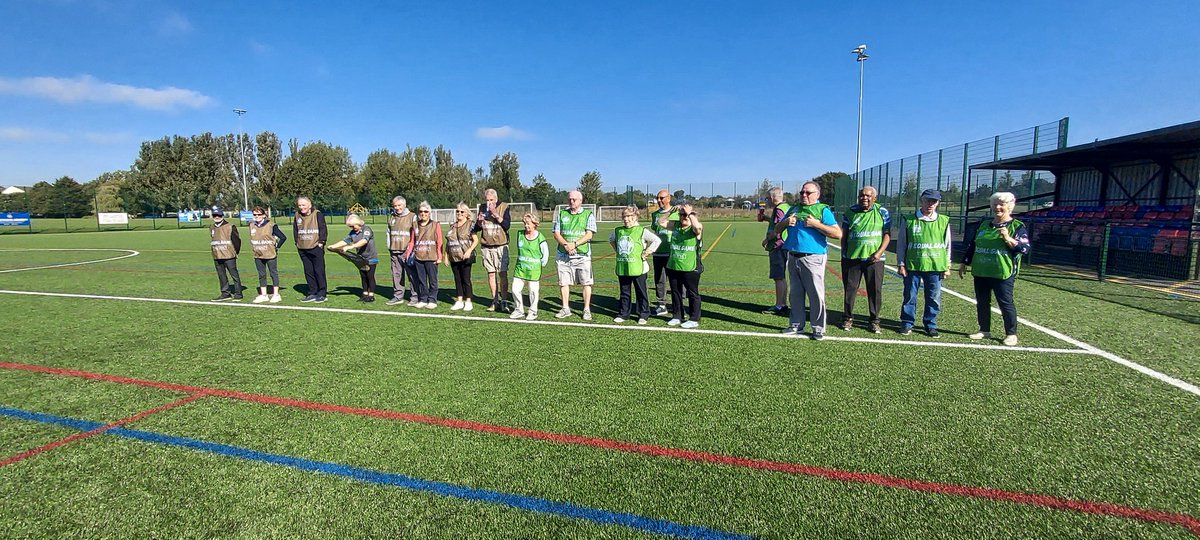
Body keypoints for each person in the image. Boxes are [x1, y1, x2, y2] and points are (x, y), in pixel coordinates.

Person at [959, 191, 1030, 346]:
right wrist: (965, 261)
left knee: (1005, 303)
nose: (997, 207)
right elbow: (974, 244)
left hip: (1002, 273)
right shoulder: (984, 224)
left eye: (1001, 204)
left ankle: (1011, 334)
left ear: (1010, 207)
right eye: (995, 204)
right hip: (981, 271)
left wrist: (1007, 238)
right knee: (982, 302)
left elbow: (1024, 249)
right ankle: (984, 329)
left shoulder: (1017, 226)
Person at [776, 182, 842, 340]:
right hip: (793, 256)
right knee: (796, 294)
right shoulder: (794, 209)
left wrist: (816, 224)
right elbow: (777, 229)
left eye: (808, 193)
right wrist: (785, 223)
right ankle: (796, 325)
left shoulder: (822, 210)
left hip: (813, 257)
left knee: (815, 294)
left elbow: (837, 233)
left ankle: (818, 328)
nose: (804, 195)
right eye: (802, 192)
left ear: (817, 195)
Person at [896, 189, 952, 337]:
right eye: (927, 200)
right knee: (909, 296)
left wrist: (947, 266)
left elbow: (947, 245)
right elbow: (901, 244)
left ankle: (930, 324)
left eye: (934, 201)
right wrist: (901, 264)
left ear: (938, 203)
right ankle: (907, 323)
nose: (930, 204)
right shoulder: (909, 219)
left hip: (935, 266)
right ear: (921, 201)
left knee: (933, 297)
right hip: (913, 265)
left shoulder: (944, 220)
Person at [839, 186, 891, 333]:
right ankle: (847, 318)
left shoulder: (882, 212)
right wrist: (844, 253)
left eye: (868, 196)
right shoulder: (850, 212)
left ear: (875, 198)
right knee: (850, 290)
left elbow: (887, 234)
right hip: (852, 258)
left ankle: (874, 321)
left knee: (875, 291)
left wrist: (879, 253)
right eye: (862, 195)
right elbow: (845, 234)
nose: (865, 198)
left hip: (875, 259)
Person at [609, 205, 662, 324]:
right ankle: (623, 313)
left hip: (639, 268)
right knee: (624, 291)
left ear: (636, 217)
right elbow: (611, 239)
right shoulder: (618, 230)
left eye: (629, 216)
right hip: (623, 266)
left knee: (641, 291)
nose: (626, 219)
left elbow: (657, 240)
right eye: (624, 216)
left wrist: (647, 252)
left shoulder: (642, 231)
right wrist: (617, 250)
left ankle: (643, 313)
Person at [552, 190, 598, 320]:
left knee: (586, 283)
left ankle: (586, 309)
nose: (571, 202)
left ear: (580, 201)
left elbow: (589, 234)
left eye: (574, 199)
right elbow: (556, 233)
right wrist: (566, 245)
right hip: (563, 254)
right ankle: (565, 308)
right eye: (569, 199)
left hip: (582, 255)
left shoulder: (588, 214)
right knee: (563, 283)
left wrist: (575, 244)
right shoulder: (562, 213)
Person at [658, 202, 704, 328]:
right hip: (674, 265)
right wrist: (671, 210)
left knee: (692, 293)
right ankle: (677, 315)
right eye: (682, 214)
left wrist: (690, 213)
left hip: (691, 267)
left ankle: (694, 318)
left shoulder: (695, 228)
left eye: (686, 215)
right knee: (675, 292)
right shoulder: (676, 226)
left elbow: (698, 228)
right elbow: (661, 222)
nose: (684, 217)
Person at [327, 214, 379, 302]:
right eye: (350, 226)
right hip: (360, 258)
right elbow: (345, 241)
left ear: (358, 223)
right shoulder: (352, 233)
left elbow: (364, 241)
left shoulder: (367, 229)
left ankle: (371, 295)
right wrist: (333, 246)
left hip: (371, 257)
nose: (352, 228)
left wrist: (351, 246)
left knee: (370, 276)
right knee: (363, 276)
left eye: (352, 226)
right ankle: (365, 294)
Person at [475, 188, 512, 312]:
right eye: (487, 200)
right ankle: (494, 300)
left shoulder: (504, 207)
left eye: (491, 200)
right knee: (491, 274)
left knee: (502, 274)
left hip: (501, 245)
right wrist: (479, 222)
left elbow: (507, 225)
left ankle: (504, 301)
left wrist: (496, 214)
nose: (489, 202)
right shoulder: (481, 208)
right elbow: (477, 228)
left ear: (496, 199)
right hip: (487, 246)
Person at [509, 212, 549, 320]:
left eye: (528, 224)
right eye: (525, 224)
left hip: (534, 270)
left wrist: (541, 264)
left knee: (533, 291)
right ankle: (519, 310)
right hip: (520, 268)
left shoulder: (540, 237)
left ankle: (533, 311)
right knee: (515, 289)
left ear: (534, 224)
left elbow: (545, 254)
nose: (526, 226)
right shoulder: (520, 234)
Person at [404, 201, 443, 309]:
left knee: (432, 280)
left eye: (426, 211)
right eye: (421, 211)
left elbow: (439, 241)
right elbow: (412, 241)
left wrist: (440, 257)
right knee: (421, 280)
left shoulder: (435, 225)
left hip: (431, 256)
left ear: (429, 213)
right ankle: (423, 299)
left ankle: (432, 299)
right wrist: (408, 253)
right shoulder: (415, 225)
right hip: (418, 257)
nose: (423, 213)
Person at [759, 186, 790, 317]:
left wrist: (767, 240)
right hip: (784, 245)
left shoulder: (779, 209)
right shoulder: (786, 207)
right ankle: (782, 303)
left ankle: (779, 305)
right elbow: (778, 221)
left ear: (772, 198)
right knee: (781, 277)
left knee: (778, 277)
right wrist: (766, 218)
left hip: (778, 246)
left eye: (767, 198)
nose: (767, 201)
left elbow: (779, 228)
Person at [445, 202, 481, 311]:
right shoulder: (453, 226)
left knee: (466, 279)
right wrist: (446, 255)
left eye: (462, 211)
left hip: (465, 256)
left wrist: (469, 251)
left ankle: (468, 300)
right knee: (457, 279)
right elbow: (449, 242)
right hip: (454, 256)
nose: (459, 213)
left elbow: (475, 240)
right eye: (457, 211)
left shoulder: (470, 225)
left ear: (466, 214)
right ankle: (459, 300)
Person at [248, 207, 287, 304]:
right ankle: (264, 295)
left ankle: (276, 294)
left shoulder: (271, 225)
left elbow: (283, 237)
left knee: (273, 273)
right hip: (258, 255)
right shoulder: (252, 225)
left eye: (259, 214)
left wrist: (276, 247)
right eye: (255, 215)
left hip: (270, 254)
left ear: (264, 215)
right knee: (261, 275)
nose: (257, 217)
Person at [649, 189, 678, 316]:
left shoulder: (676, 212)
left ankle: (677, 304)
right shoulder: (655, 214)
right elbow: (655, 229)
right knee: (659, 280)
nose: (659, 200)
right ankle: (661, 304)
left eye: (662, 198)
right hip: (659, 252)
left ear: (669, 198)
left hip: (673, 252)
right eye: (658, 198)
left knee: (676, 280)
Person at [293, 196, 328, 303]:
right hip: (302, 247)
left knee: (319, 271)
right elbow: (295, 230)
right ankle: (312, 292)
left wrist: (321, 242)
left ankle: (322, 293)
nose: (301, 207)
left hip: (316, 247)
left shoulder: (317, 214)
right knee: (308, 271)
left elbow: (323, 228)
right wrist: (297, 242)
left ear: (309, 205)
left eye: (303, 205)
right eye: (299, 205)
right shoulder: (297, 215)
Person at [385, 196, 418, 306]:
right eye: (395, 206)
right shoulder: (392, 217)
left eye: (399, 205)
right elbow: (388, 232)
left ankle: (415, 296)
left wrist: (412, 249)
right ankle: (398, 296)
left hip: (407, 251)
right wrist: (389, 246)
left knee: (412, 275)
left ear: (404, 205)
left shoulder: (412, 216)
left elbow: (416, 233)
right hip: (394, 251)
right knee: (396, 275)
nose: (397, 208)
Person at [208, 206, 243, 301]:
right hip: (217, 255)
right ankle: (225, 293)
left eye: (218, 215)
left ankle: (238, 293)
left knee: (234, 274)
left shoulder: (230, 226)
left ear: (222, 215)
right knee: (221, 275)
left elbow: (237, 241)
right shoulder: (211, 227)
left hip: (229, 255)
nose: (217, 217)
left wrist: (236, 252)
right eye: (215, 215)